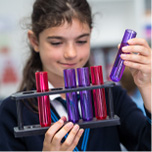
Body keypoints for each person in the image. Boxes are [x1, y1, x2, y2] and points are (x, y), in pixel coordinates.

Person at [0, 0, 151, 151]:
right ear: (35, 41)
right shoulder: (12, 112)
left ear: (90, 36)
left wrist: (147, 87)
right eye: (56, 43)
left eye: (81, 41)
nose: (71, 54)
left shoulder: (110, 97)